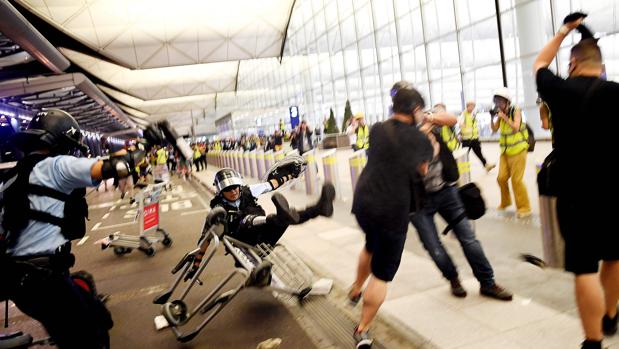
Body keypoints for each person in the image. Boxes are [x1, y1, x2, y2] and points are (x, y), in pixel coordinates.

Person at [0, 109, 143, 348]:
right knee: (90, 340)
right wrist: (144, 145)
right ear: (59, 142)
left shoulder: (10, 179)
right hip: (46, 281)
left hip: (21, 281)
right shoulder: (57, 166)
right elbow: (116, 167)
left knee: (96, 314)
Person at [533, 14, 619, 349]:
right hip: (615, 191)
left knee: (584, 268)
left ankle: (593, 342)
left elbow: (540, 62)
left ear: (572, 62)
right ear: (600, 65)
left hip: (575, 194)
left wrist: (563, 31)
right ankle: (611, 314)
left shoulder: (560, 90)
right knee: (614, 256)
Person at [349, 84, 434, 349]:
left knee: (370, 245)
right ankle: (362, 328)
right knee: (382, 274)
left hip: (363, 203)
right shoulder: (419, 139)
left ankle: (354, 288)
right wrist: (429, 142)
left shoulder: (377, 129)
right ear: (416, 110)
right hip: (391, 210)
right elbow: (422, 170)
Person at [409, 103, 513, 301]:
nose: (417, 112)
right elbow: (416, 168)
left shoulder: (428, 120)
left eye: (419, 108)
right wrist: (420, 137)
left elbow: (451, 119)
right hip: (419, 201)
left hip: (447, 192)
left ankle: (488, 282)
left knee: (469, 239)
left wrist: (428, 119)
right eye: (413, 109)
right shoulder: (401, 133)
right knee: (434, 247)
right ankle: (453, 278)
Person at [186, 164, 336, 279]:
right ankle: (276, 218)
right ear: (220, 192)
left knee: (285, 219)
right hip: (243, 247)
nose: (233, 192)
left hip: (264, 238)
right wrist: (195, 265)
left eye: (235, 187)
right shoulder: (218, 209)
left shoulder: (247, 191)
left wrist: (290, 175)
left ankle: (319, 208)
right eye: (228, 189)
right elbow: (206, 238)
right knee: (247, 220)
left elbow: (271, 184)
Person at [490, 87, 532, 218]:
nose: (497, 104)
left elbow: (516, 128)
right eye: (496, 101)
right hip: (506, 152)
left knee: (516, 180)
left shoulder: (515, 110)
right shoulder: (500, 113)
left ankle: (525, 207)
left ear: (507, 101)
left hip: (519, 150)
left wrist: (504, 117)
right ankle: (506, 201)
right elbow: (494, 129)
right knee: (501, 178)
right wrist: (493, 118)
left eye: (500, 101)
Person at [459, 101, 495, 171]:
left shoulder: (473, 114)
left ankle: (486, 165)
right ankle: (460, 170)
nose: (473, 108)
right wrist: (466, 128)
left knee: (479, 153)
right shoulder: (464, 114)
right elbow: (460, 123)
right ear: (467, 106)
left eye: (474, 106)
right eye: (471, 106)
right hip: (467, 139)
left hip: (474, 138)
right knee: (464, 156)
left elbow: (474, 125)